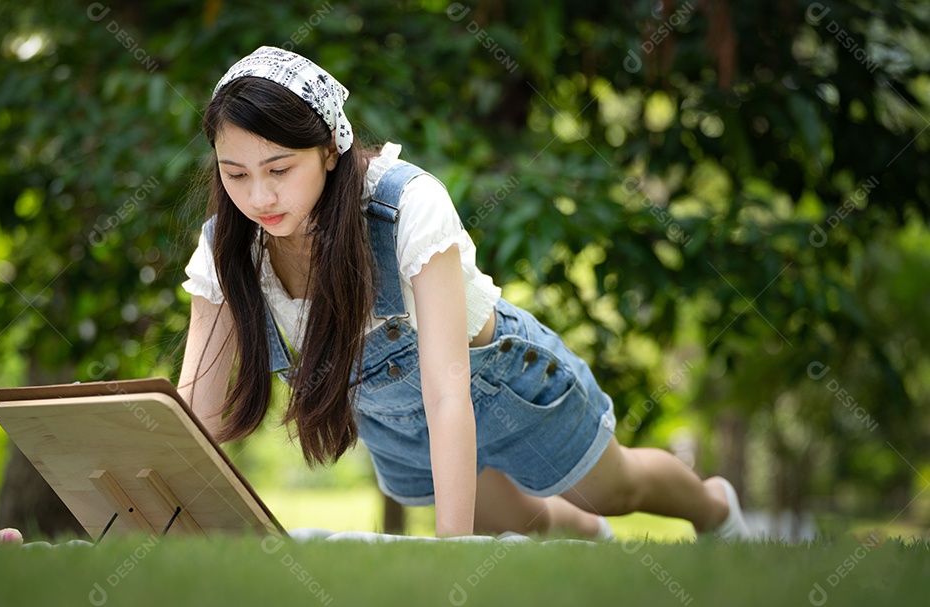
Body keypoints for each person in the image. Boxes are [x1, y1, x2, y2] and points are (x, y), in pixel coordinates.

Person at [178, 46, 751, 541]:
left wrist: (452, 557)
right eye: (236, 174)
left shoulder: (405, 205)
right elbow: (193, 412)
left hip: (500, 384)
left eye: (279, 169)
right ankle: (584, 537)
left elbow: (448, 391)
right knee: (513, 523)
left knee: (614, 490)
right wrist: (168, 527)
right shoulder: (227, 247)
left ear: (331, 148)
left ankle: (715, 508)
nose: (259, 197)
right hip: (402, 424)